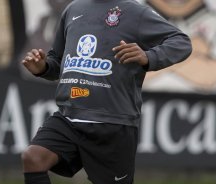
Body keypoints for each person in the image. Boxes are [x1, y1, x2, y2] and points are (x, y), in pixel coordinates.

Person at [21, 0, 192, 183]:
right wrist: (43, 67)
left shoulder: (136, 12)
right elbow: (58, 60)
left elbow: (182, 42)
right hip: (69, 117)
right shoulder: (73, 8)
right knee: (33, 157)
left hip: (112, 123)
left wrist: (148, 56)